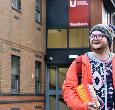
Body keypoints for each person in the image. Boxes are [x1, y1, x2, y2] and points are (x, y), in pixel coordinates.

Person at [62, 24, 115, 110]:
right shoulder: (79, 62)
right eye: (92, 36)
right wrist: (83, 106)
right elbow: (68, 90)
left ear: (109, 40)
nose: (95, 38)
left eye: (100, 35)